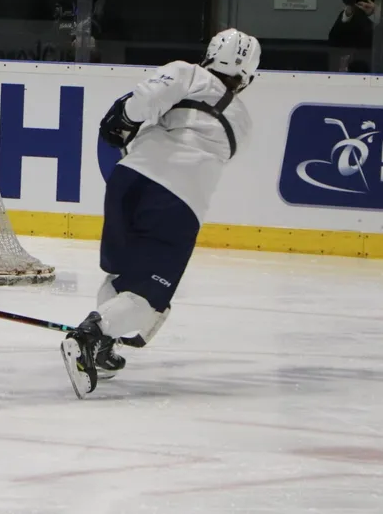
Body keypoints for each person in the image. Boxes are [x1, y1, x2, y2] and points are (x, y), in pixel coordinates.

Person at [60, 28, 261, 399]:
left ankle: (106, 346)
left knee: (121, 274)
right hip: (179, 200)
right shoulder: (244, 123)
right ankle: (91, 336)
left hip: (129, 177)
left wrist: (126, 118)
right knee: (149, 295)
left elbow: (139, 104)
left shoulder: (186, 72)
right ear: (248, 74)